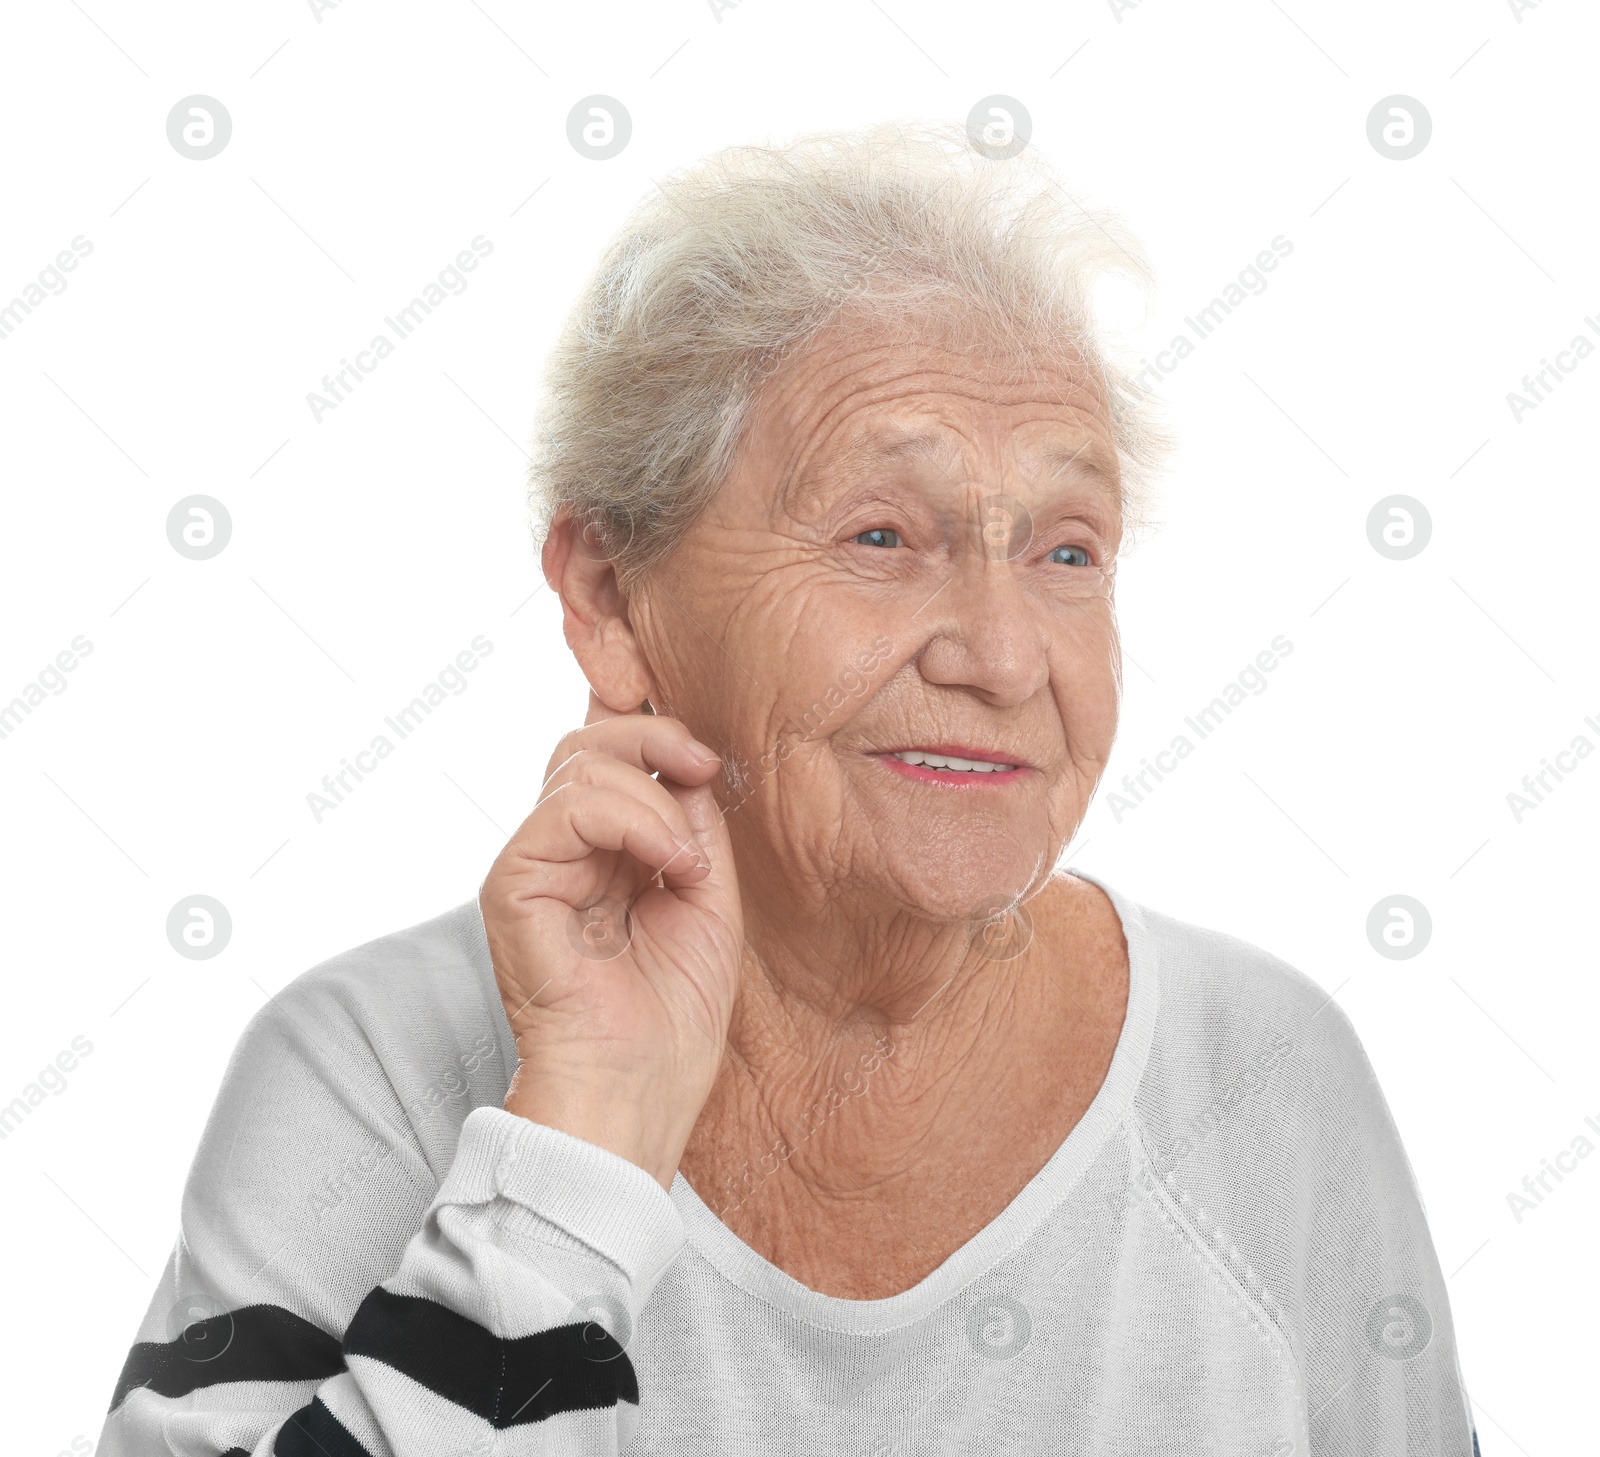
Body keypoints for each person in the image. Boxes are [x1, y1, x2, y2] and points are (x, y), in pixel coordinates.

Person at [98, 124, 1479, 1455]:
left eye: (1068, 551)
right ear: (611, 598)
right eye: (881, 533)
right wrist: (582, 1138)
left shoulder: (1268, 1079)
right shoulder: (370, 1070)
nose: (1004, 656)